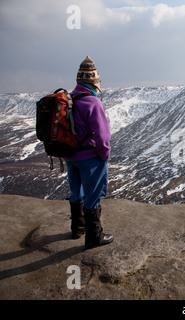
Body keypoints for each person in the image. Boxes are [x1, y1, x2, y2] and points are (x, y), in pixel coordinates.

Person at [64, 56, 114, 250]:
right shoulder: (93, 103)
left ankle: (77, 227)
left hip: (69, 156)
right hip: (89, 158)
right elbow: (102, 137)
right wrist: (104, 156)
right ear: (95, 82)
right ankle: (94, 236)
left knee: (77, 191)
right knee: (93, 194)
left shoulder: (69, 100)